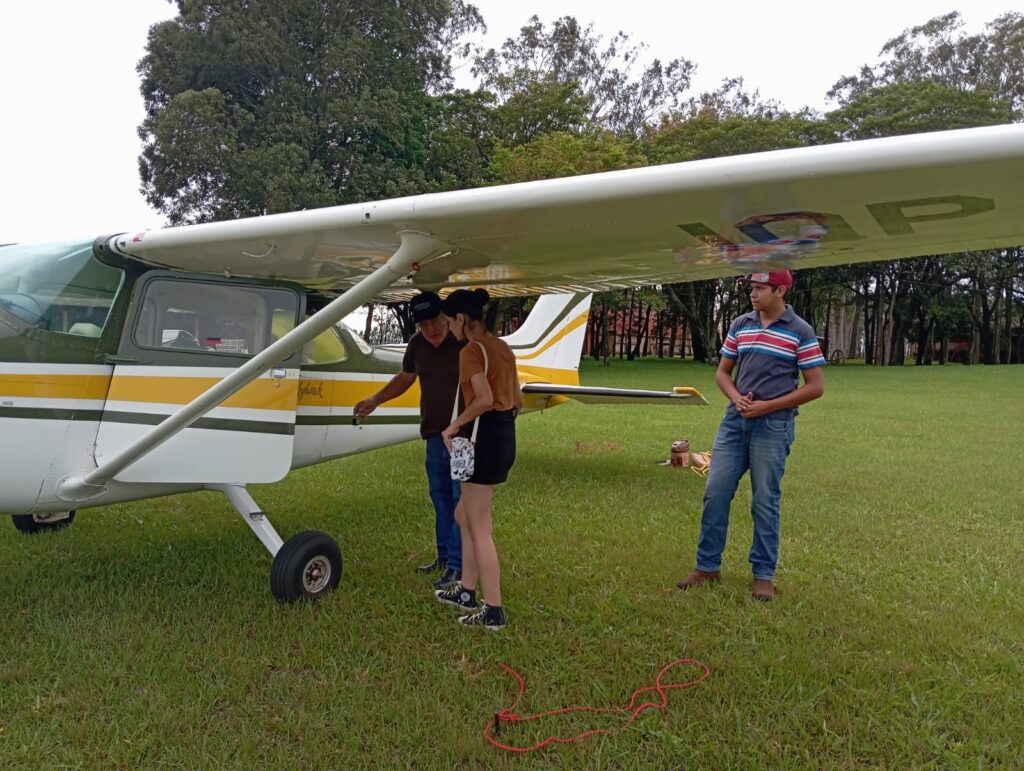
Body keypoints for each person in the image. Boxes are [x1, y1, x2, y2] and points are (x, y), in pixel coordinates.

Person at [677, 270, 825, 601]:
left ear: (781, 290)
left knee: (764, 500)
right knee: (715, 493)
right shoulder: (741, 324)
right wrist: (736, 398)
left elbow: (816, 387)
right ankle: (707, 567)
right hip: (734, 423)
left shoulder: (800, 331)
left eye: (760, 288)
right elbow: (722, 374)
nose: (753, 295)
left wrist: (768, 407)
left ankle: (763, 576)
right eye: (752, 288)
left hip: (773, 427)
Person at [354, 292, 464, 589]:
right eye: (423, 324)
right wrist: (375, 400)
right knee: (440, 498)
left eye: (435, 321)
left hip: (463, 437)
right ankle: (444, 557)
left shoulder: (464, 341)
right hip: (433, 435)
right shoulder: (417, 345)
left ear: (446, 317)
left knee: (459, 501)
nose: (431, 329)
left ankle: (458, 566)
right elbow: (406, 377)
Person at [434, 289, 521, 630]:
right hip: (501, 436)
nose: (448, 328)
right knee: (463, 514)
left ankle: (493, 609)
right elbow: (517, 401)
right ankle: (467, 591)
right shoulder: (501, 347)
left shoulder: (471, 351)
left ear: (461, 319)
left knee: (480, 526)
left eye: (448, 321)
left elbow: (483, 398)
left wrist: (454, 425)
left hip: (480, 438)